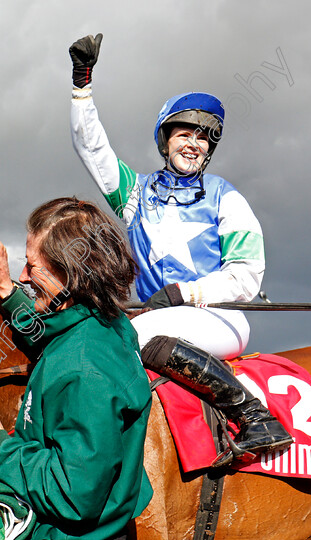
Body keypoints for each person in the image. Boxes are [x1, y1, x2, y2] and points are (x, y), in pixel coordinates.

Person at [68, 34, 292, 465]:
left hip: (221, 318)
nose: (193, 143)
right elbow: (92, 148)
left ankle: (256, 418)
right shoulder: (134, 194)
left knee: (137, 335)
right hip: (160, 317)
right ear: (165, 140)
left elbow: (247, 275)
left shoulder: (227, 197)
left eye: (203, 137)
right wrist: (82, 85)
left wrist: (184, 294)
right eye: (184, 133)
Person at [0, 198, 153, 540]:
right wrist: (8, 293)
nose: (23, 275)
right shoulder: (106, 325)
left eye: (33, 266)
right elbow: (51, 334)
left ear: (72, 274)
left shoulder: (85, 369)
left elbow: (74, 494)